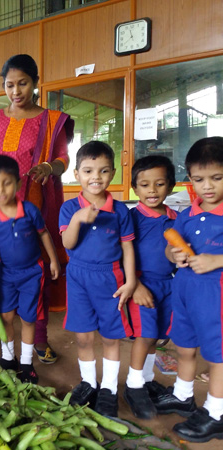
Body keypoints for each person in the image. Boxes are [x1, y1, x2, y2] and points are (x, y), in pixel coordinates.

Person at [0, 54, 74, 363]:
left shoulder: (51, 120)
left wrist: (50, 167)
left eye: (23, 83)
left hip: (34, 207)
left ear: (36, 82)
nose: (16, 91)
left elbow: (64, 159)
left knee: (33, 273)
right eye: (9, 85)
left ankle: (39, 339)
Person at [59, 141, 136, 418]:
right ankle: (89, 383)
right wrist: (78, 219)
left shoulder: (120, 211)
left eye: (103, 171)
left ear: (112, 173)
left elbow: (127, 247)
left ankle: (109, 389)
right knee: (83, 336)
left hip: (110, 278)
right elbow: (68, 243)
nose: (96, 177)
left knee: (111, 337)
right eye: (88, 170)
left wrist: (130, 282)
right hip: (78, 277)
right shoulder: (69, 208)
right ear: (77, 174)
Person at [155, 137, 223, 443]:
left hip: (215, 296)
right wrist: (175, 255)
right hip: (184, 293)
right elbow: (170, 249)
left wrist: (217, 260)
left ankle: (217, 412)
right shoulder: (188, 214)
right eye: (198, 179)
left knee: (218, 355)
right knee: (183, 345)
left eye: (217, 178)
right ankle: (183, 395)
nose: (207, 186)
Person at [0, 155, 60, 383]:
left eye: (7, 183)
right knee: (5, 316)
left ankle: (26, 363)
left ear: (18, 184)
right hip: (6, 275)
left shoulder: (30, 210)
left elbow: (44, 234)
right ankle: (8, 358)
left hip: (32, 274)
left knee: (28, 319)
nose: (2, 190)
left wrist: (53, 260)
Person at [123, 155, 176, 419]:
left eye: (159, 184)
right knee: (145, 335)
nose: (152, 190)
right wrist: (135, 285)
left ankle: (145, 378)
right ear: (135, 188)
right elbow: (122, 253)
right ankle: (133, 386)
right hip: (142, 284)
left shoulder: (177, 218)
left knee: (156, 336)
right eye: (144, 185)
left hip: (168, 285)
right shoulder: (131, 218)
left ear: (171, 185)